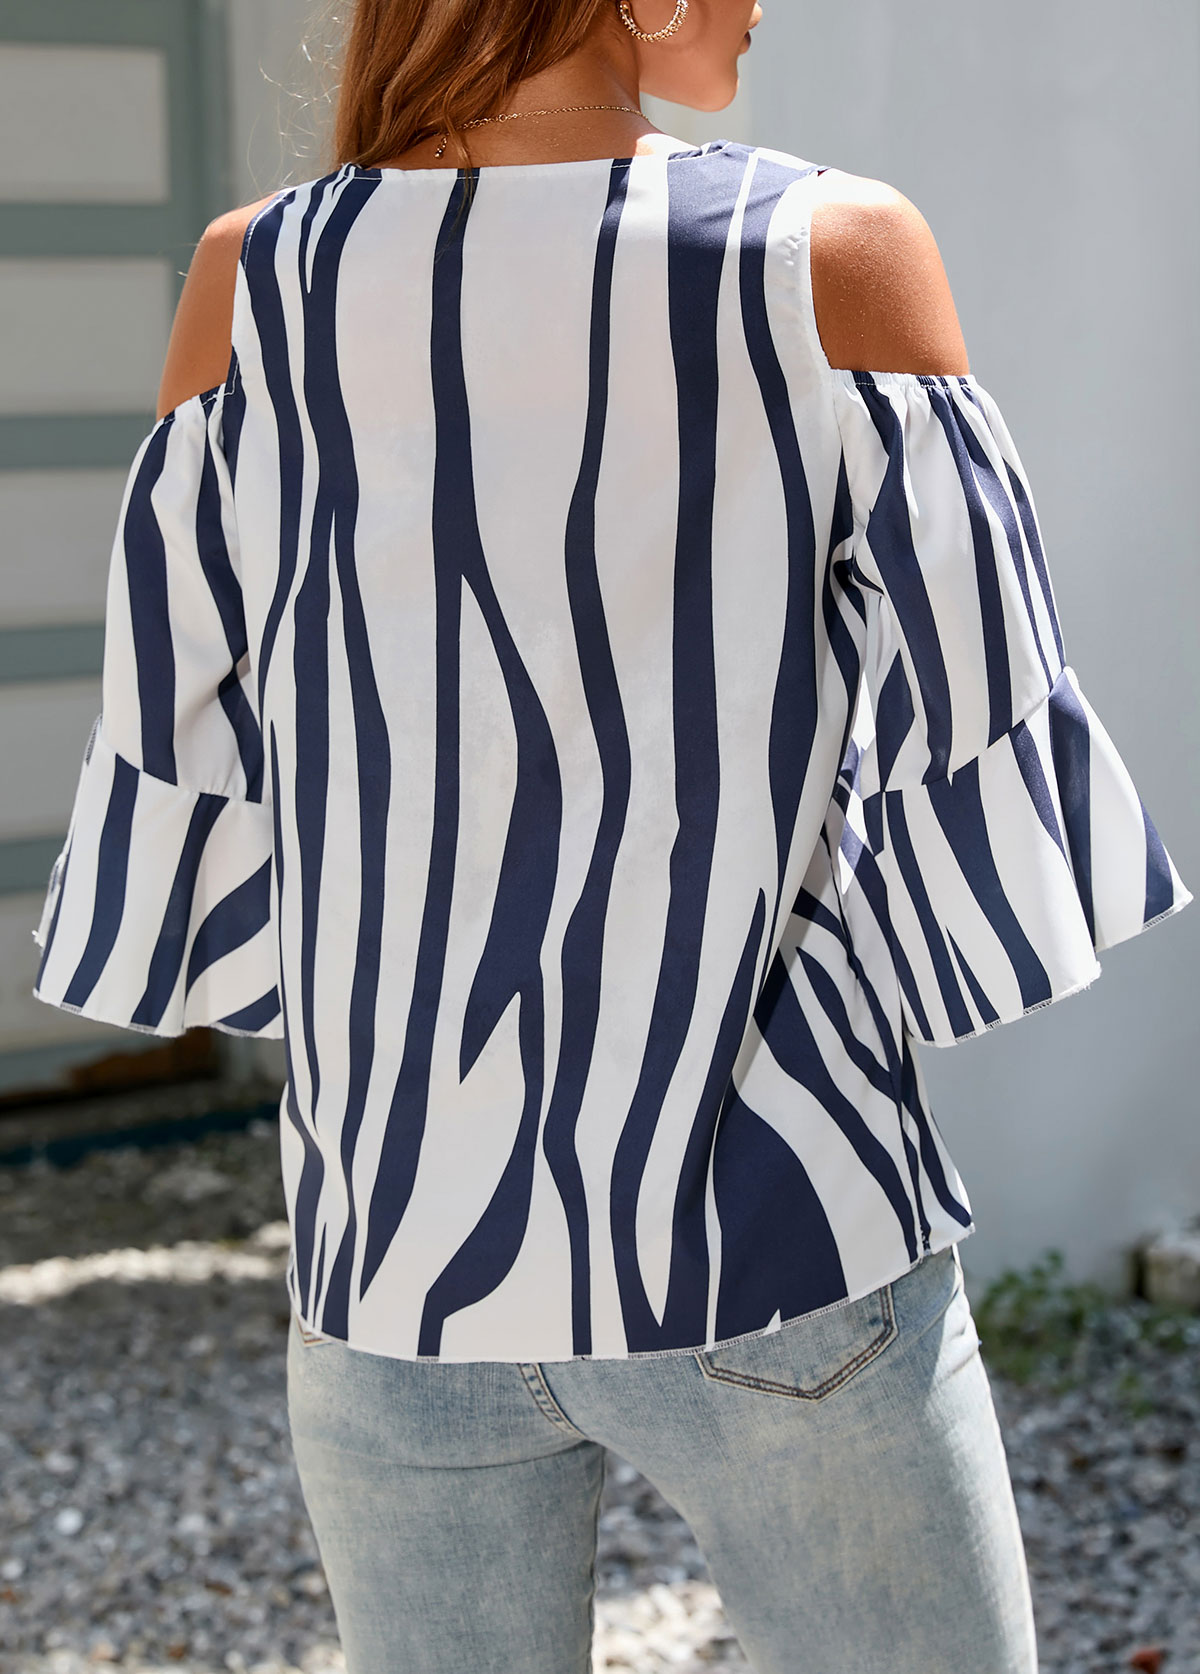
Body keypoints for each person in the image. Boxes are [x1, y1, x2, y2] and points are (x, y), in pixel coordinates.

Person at [31, 1, 1192, 1670]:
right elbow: (971, 729)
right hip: (778, 1225)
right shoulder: (827, 252)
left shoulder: (254, 280)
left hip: (392, 1260)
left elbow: (189, 733)